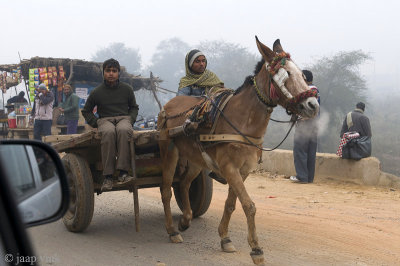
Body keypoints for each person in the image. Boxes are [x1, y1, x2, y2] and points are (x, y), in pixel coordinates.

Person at [81, 58, 139, 191]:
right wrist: (95, 122)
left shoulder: (127, 89)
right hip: (105, 120)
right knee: (108, 132)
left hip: (124, 118)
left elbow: (134, 107)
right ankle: (108, 176)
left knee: (124, 130)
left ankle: (123, 173)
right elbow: (86, 111)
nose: (111, 73)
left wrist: (131, 119)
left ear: (118, 73)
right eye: (108, 70)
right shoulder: (97, 92)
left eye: (114, 71)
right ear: (103, 73)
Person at [290, 70, 320, 184]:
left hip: (305, 124)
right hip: (314, 124)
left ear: (305, 79)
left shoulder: (308, 91)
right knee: (311, 151)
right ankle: (309, 177)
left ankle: (302, 176)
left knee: (300, 150)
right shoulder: (316, 90)